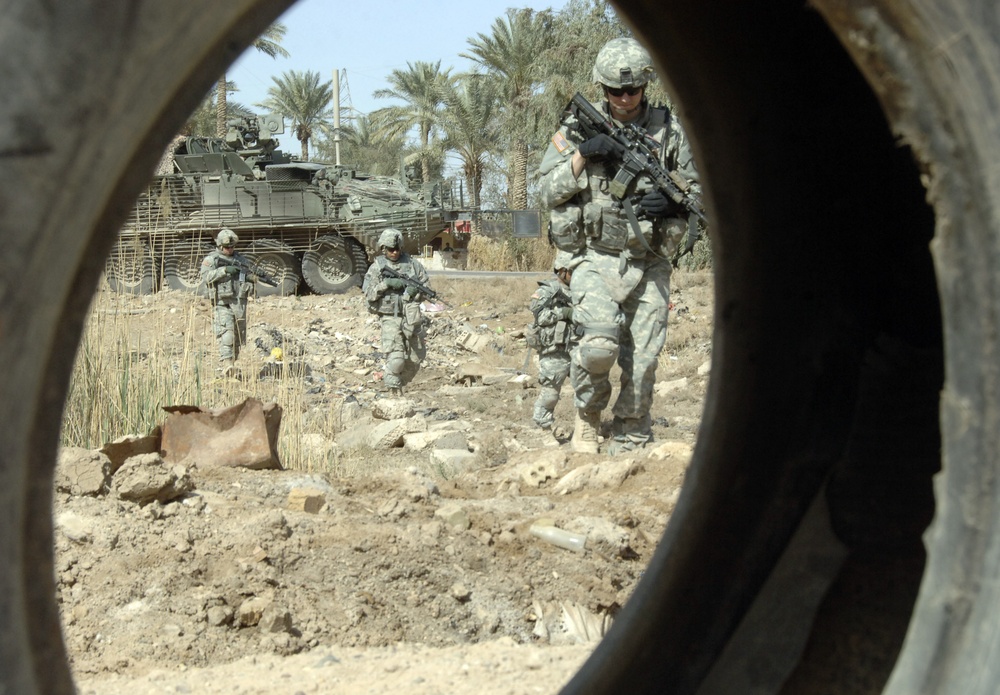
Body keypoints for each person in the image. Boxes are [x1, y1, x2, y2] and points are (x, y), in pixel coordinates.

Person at [538, 37, 701, 455]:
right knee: (597, 347)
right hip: (594, 255)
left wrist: (673, 198)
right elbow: (546, 192)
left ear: (646, 86)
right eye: (615, 90)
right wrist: (582, 155)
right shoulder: (575, 131)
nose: (625, 98)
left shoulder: (670, 132)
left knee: (644, 359)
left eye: (633, 90)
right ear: (601, 88)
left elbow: (701, 194)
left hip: (649, 259)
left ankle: (631, 430)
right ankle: (588, 419)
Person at [362, 228, 431, 395]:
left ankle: (400, 383)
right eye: (390, 249)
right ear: (383, 249)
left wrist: (415, 293)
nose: (394, 253)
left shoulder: (413, 265)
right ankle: (393, 391)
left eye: (397, 249)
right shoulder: (377, 267)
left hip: (411, 317)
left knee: (415, 358)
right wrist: (386, 284)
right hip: (390, 317)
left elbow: (426, 287)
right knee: (396, 358)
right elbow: (368, 295)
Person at [529, 251, 576, 431]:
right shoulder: (548, 290)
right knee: (550, 394)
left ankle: (585, 429)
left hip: (578, 346)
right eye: (572, 272)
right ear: (562, 271)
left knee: (588, 389)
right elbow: (539, 317)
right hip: (555, 351)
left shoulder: (580, 290)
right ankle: (543, 429)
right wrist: (562, 313)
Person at [200, 228, 258, 370]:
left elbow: (245, 276)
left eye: (232, 247)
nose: (230, 250)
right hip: (222, 302)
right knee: (227, 334)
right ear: (220, 246)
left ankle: (232, 365)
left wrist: (250, 279)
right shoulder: (211, 260)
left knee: (238, 336)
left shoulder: (240, 259)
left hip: (238, 302)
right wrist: (224, 270)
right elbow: (206, 277)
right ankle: (227, 364)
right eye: (227, 247)